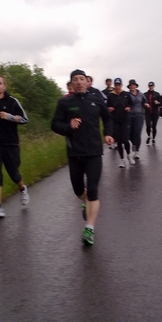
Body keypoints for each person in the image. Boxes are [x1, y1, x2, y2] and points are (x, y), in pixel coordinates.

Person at [51, 69, 114, 246]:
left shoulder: (96, 99)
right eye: (75, 80)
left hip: (94, 152)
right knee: (78, 189)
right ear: (71, 84)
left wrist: (108, 133)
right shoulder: (65, 102)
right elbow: (54, 124)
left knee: (93, 189)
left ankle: (89, 228)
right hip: (75, 153)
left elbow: (108, 119)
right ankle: (85, 201)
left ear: (87, 82)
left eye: (81, 79)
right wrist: (68, 126)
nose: (79, 82)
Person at [0, 74, 30, 218]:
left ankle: (22, 188)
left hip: (10, 144)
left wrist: (9, 117)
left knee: (13, 173)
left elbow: (25, 119)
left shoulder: (12, 101)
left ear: (4, 86)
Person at [106, 78, 134, 168]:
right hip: (115, 120)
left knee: (125, 139)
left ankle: (129, 155)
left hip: (125, 119)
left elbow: (131, 104)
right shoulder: (110, 95)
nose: (117, 87)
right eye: (116, 85)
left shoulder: (126, 94)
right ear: (114, 85)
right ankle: (122, 160)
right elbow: (107, 106)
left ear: (121, 85)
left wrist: (129, 108)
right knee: (118, 141)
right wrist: (109, 109)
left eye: (119, 85)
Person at [127, 79, 146, 160]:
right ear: (129, 87)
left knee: (137, 133)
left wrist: (146, 104)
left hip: (139, 115)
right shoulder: (127, 95)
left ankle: (137, 151)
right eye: (131, 85)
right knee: (129, 134)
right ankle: (134, 143)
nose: (132, 86)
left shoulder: (141, 94)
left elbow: (144, 102)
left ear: (136, 86)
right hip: (129, 116)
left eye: (133, 85)